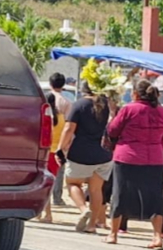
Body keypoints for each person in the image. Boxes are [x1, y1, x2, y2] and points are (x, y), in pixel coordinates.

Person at [105, 80, 163, 247]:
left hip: (127, 157)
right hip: (155, 159)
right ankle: (157, 236)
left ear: (135, 94)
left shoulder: (128, 109)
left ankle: (113, 234)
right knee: (156, 198)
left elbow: (113, 130)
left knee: (120, 195)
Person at [59, 82, 113, 234]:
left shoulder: (79, 105)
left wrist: (61, 148)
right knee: (96, 189)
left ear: (83, 90)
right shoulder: (106, 105)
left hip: (81, 152)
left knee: (72, 183)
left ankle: (83, 209)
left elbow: (69, 129)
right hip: (103, 154)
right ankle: (92, 225)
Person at [48, 72, 74, 208]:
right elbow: (69, 125)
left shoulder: (45, 98)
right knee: (58, 172)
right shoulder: (67, 102)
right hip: (60, 141)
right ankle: (57, 198)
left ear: (50, 83)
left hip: (47, 141)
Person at [38, 92, 63, 224]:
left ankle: (47, 213)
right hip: (56, 154)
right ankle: (45, 212)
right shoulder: (61, 117)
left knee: (42, 184)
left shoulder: (44, 116)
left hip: (45, 153)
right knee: (50, 185)